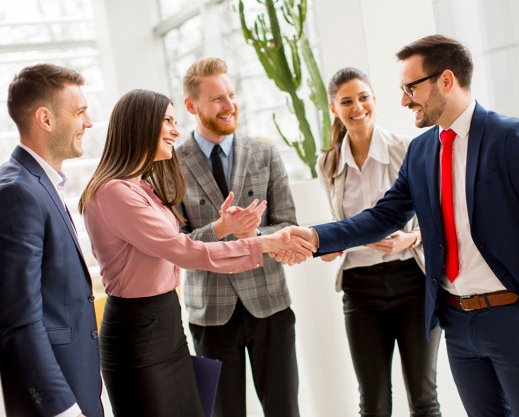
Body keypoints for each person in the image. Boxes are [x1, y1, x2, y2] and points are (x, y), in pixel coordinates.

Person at [287, 35, 519, 417]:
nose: (403, 99)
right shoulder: (422, 149)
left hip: (516, 318)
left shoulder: (510, 136)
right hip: (458, 324)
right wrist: (315, 237)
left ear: (446, 81)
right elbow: (384, 215)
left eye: (411, 88)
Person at [78, 89, 312, 417]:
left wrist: (221, 227)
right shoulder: (115, 193)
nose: (176, 130)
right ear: (141, 125)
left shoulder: (141, 186)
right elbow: (183, 250)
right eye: (168, 122)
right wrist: (265, 243)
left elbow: (170, 242)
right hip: (138, 329)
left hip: (165, 321)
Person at [176, 57, 300, 417]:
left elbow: (288, 223)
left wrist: (255, 234)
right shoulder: (171, 164)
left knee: (284, 410)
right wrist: (221, 230)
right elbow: (177, 243)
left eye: (231, 95)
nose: (229, 105)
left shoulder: (266, 154)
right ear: (191, 105)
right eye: (217, 99)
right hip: (210, 314)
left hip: (270, 305)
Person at [0, 63, 103, 417]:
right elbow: (21, 321)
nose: (89, 123)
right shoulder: (16, 193)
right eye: (79, 112)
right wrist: (63, 409)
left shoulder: (35, 184)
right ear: (45, 119)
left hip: (76, 385)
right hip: (54, 404)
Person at [318, 67, 441, 417]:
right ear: (334, 109)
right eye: (346, 101)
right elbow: (344, 227)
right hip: (360, 290)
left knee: (424, 398)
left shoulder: (409, 150)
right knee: (372, 403)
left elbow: (441, 222)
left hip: (412, 284)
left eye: (363, 97)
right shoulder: (327, 162)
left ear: (375, 100)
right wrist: (330, 246)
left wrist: (410, 239)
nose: (357, 107)